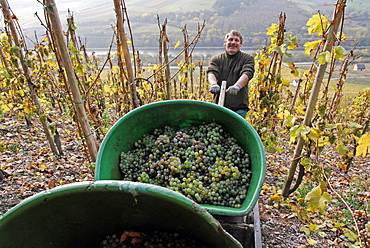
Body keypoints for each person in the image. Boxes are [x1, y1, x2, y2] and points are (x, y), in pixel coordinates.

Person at [207, 30, 255, 118]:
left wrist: (237, 86)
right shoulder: (216, 59)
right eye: (230, 40)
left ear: (241, 44)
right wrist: (213, 84)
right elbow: (212, 72)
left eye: (236, 40)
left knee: (236, 130)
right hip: (219, 106)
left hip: (239, 108)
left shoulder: (247, 59)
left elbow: (247, 73)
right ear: (225, 42)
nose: (233, 42)